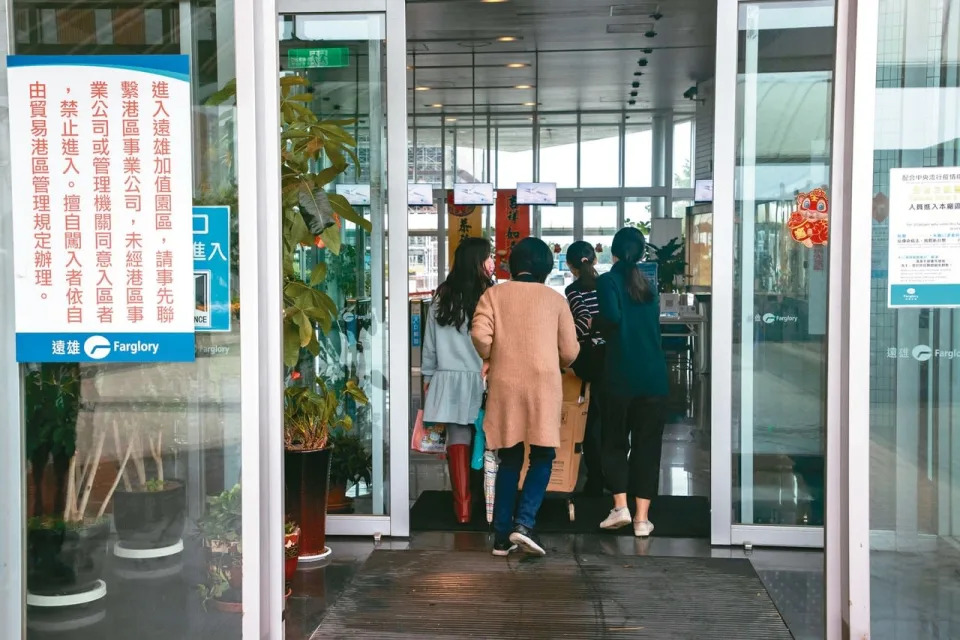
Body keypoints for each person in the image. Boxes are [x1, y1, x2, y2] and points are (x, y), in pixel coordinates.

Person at [472, 237, 580, 556]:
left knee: (510, 457)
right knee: (543, 455)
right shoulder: (554, 300)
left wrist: (492, 354)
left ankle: (502, 537)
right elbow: (571, 350)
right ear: (546, 267)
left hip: (506, 384)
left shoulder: (493, 294)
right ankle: (525, 523)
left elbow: (479, 334)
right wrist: (554, 360)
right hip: (543, 386)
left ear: (512, 265)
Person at [595, 227, 669, 538]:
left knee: (613, 441)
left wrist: (592, 322)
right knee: (647, 447)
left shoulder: (608, 280)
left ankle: (620, 507)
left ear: (613, 252)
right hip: (654, 378)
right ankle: (642, 519)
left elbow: (611, 317)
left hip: (620, 377)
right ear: (640, 255)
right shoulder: (646, 285)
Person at [421, 237, 495, 524]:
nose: (491, 263)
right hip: (483, 378)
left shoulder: (443, 294)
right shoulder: (490, 294)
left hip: (448, 378)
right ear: (477, 261)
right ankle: (486, 501)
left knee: (459, 438)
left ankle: (462, 508)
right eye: (488, 257)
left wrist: (428, 376)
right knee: (486, 439)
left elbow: (430, 342)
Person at [563, 241, 605, 496]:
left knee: (590, 419)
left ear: (570, 265)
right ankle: (612, 474)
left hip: (589, 360)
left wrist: (572, 342)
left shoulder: (573, 290)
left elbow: (582, 322)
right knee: (609, 417)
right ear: (595, 260)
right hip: (613, 357)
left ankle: (594, 477)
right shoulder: (607, 286)